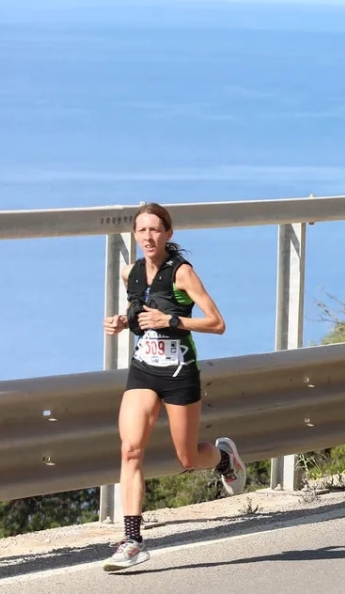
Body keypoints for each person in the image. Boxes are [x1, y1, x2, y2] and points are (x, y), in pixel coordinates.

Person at [101, 203, 247, 572]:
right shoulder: (130, 273)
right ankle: (132, 540)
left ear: (168, 233)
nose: (148, 237)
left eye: (155, 230)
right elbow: (140, 313)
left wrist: (172, 319)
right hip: (143, 371)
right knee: (131, 449)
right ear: (134, 235)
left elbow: (217, 323)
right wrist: (123, 321)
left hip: (180, 373)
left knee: (187, 458)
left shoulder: (182, 274)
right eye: (142, 231)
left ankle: (224, 458)